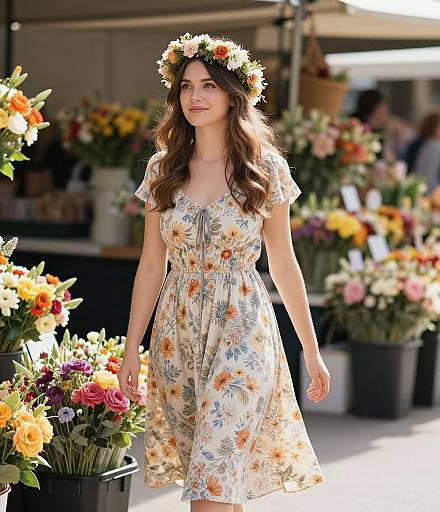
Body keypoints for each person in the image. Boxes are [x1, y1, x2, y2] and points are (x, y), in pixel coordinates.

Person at [118, 33, 329, 511]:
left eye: (209, 85)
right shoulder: (162, 168)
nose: (195, 96)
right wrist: (132, 348)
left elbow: (283, 261)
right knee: (218, 482)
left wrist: (311, 351)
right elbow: (152, 264)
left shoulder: (265, 168)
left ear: (235, 94)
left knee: (212, 481)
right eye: (186, 86)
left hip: (243, 330)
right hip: (178, 334)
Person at [405, 112, 440, 192]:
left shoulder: (418, 143)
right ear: (434, 128)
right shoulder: (435, 147)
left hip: (414, 187)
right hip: (430, 191)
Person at [352, 89, 390, 159]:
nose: (387, 114)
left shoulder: (378, 132)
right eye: (384, 109)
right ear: (375, 109)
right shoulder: (355, 128)